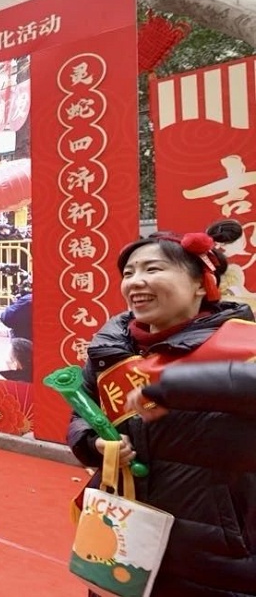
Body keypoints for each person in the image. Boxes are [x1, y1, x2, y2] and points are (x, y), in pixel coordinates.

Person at [66, 229, 256, 596]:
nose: (136, 281)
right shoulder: (111, 351)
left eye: (153, 269)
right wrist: (93, 444)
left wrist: (175, 386)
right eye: (129, 273)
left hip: (215, 553)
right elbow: (82, 416)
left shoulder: (243, 344)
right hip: (120, 538)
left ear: (201, 283)